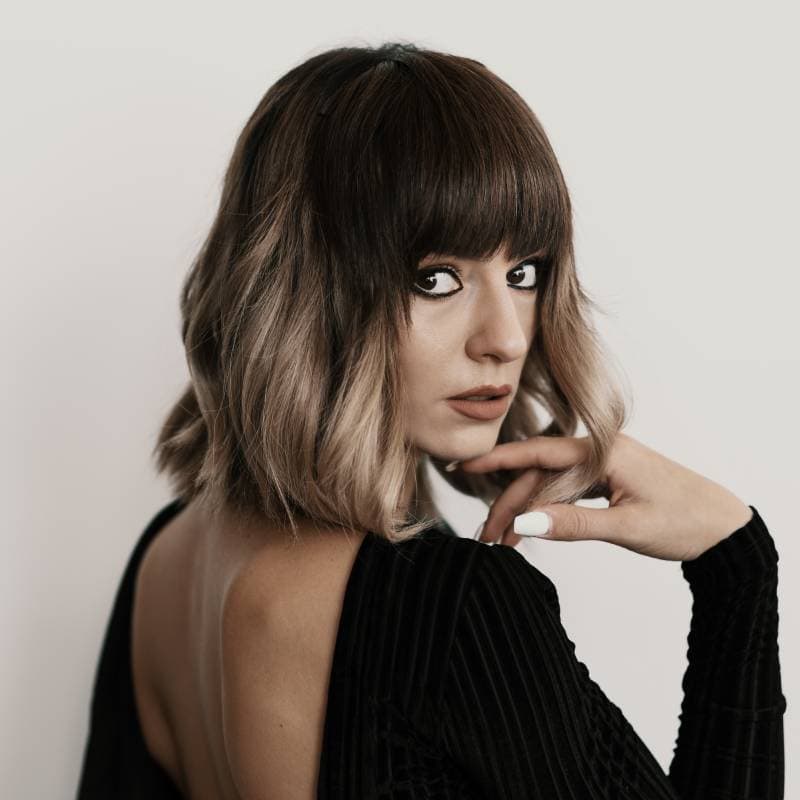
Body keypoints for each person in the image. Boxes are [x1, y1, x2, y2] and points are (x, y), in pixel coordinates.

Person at [75, 41, 785, 799]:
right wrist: (734, 563)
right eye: (437, 279)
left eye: (523, 273)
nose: (505, 338)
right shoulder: (454, 612)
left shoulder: (168, 557)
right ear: (306, 293)